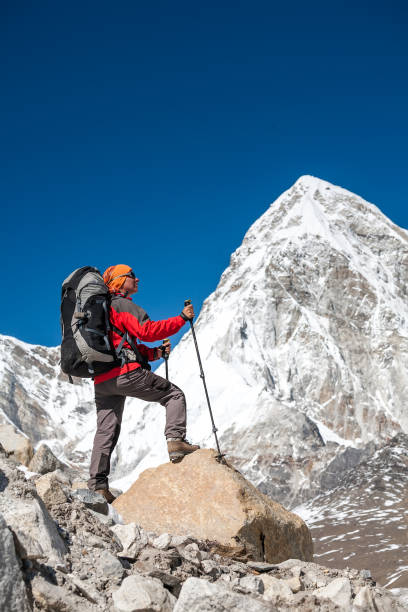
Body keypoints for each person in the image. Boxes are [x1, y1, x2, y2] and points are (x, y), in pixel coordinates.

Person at [87, 264, 199, 503]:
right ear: (120, 281)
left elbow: (128, 347)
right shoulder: (121, 304)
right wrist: (181, 318)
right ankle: (176, 441)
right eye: (132, 276)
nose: (137, 279)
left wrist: (156, 354)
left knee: (106, 429)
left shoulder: (102, 311)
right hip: (126, 374)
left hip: (103, 379)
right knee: (174, 395)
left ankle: (97, 485)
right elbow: (147, 331)